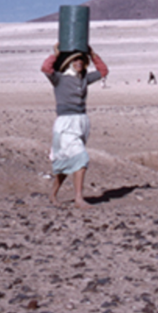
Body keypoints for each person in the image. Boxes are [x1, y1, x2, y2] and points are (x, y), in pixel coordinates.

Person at [41, 47, 109, 209]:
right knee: (81, 158)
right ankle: (79, 198)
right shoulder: (59, 78)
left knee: (68, 159)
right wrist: (56, 54)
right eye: (75, 60)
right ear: (68, 63)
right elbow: (45, 68)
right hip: (65, 123)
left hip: (81, 122)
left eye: (81, 60)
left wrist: (93, 54)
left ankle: (53, 195)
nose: (79, 63)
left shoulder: (84, 78)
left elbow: (103, 71)